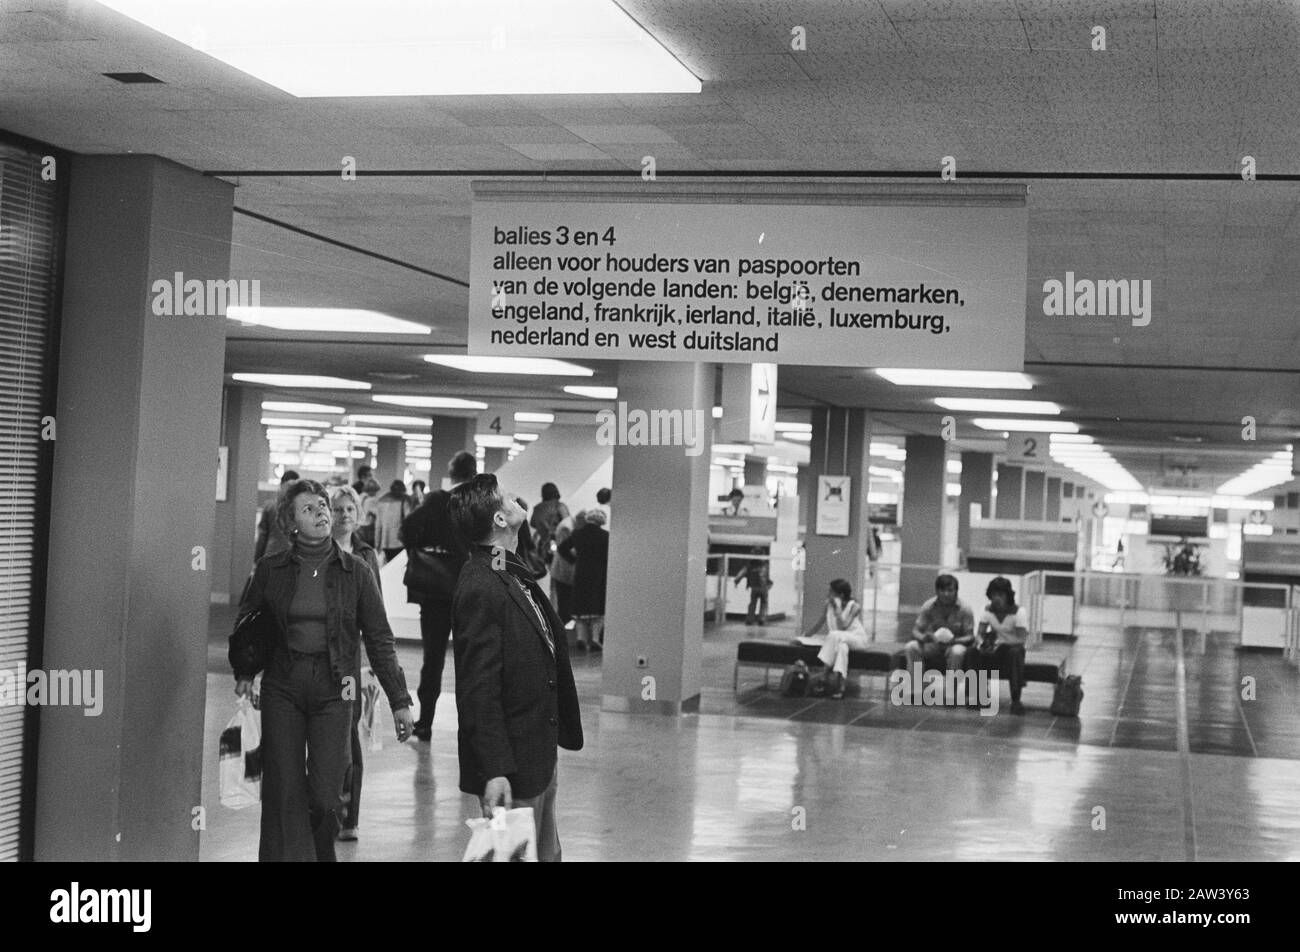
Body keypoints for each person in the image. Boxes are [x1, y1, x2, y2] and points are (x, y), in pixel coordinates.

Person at [233, 479, 413, 862]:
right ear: (291, 522)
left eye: (323, 506)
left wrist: (399, 700)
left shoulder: (357, 571)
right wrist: (245, 671)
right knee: (283, 786)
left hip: (339, 686)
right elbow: (247, 623)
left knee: (327, 790)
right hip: (283, 683)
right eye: (309, 509)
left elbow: (380, 638)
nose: (322, 513)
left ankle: (319, 854)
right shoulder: (271, 569)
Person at [449, 473, 583, 862]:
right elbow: (478, 688)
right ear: (499, 520)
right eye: (504, 497)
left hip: (535, 753)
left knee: (545, 855)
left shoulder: (507, 570)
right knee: (512, 859)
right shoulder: (481, 584)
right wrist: (494, 770)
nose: (514, 497)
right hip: (510, 765)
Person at [401, 450, 476, 741]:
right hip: (470, 591)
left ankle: (426, 722)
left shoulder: (436, 500)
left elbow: (407, 529)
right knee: (471, 660)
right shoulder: (480, 506)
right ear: (474, 473)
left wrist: (421, 551)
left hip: (435, 592)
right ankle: (471, 725)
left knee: (433, 658)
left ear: (452, 472)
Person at [328, 486, 381, 842]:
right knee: (325, 738)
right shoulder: (318, 551)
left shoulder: (365, 555)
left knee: (349, 737)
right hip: (320, 659)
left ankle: (350, 817)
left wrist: (375, 665)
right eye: (338, 508)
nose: (345, 514)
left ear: (358, 515)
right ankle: (326, 811)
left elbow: (376, 612)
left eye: (351, 509)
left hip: (351, 658)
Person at [968, 576, 1029, 715]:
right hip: (994, 648)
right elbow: (980, 633)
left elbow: (1021, 639)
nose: (997, 598)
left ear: (1008, 596)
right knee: (973, 652)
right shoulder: (987, 610)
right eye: (994, 595)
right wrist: (980, 643)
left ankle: (1016, 701)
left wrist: (1001, 643)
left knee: (1014, 653)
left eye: (1000, 595)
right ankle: (980, 696)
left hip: (1012, 648)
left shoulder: (1018, 612)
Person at [805, 579, 869, 699]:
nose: (828, 595)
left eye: (831, 592)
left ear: (841, 595)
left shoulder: (854, 606)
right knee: (841, 648)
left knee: (834, 635)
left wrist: (838, 610)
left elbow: (843, 627)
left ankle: (824, 675)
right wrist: (805, 636)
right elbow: (819, 623)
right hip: (840, 641)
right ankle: (841, 687)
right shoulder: (828, 605)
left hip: (857, 639)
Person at [557, 508, 609, 652]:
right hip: (599, 574)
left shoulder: (577, 534)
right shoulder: (606, 536)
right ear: (601, 521)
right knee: (598, 609)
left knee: (580, 609)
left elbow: (562, 548)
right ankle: (595, 639)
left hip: (580, 573)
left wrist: (574, 559)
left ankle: (580, 638)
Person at [905, 573, 975, 674]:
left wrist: (954, 640)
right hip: (934, 644)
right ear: (937, 591)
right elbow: (915, 631)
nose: (946, 594)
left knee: (957, 652)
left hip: (955, 644)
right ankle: (917, 686)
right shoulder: (928, 606)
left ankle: (951, 688)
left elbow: (970, 637)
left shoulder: (965, 609)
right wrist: (923, 637)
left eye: (950, 590)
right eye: (942, 590)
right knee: (911, 647)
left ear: (956, 591)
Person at [253, 470, 299, 562]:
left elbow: (263, 537)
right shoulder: (301, 509)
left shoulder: (269, 506)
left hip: (271, 554)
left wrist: (257, 560)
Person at [548, 509, 579, 624]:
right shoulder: (567, 527)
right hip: (563, 570)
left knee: (564, 602)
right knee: (565, 604)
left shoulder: (568, 524)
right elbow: (563, 550)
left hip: (563, 570)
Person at [373, 479, 413, 563]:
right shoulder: (405, 500)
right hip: (400, 542)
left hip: (385, 543)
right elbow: (409, 522)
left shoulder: (381, 501)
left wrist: (377, 543)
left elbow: (378, 525)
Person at [529, 482, 570, 558]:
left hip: (545, 547)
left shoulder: (537, 509)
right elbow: (568, 524)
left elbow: (532, 523)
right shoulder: (560, 505)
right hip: (563, 544)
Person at [732, 548, 771, 625]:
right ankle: (762, 619)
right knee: (764, 603)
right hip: (763, 587)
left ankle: (750, 619)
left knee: (752, 603)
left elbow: (742, 573)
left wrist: (736, 581)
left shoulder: (750, 565)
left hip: (754, 587)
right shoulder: (765, 565)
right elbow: (767, 577)